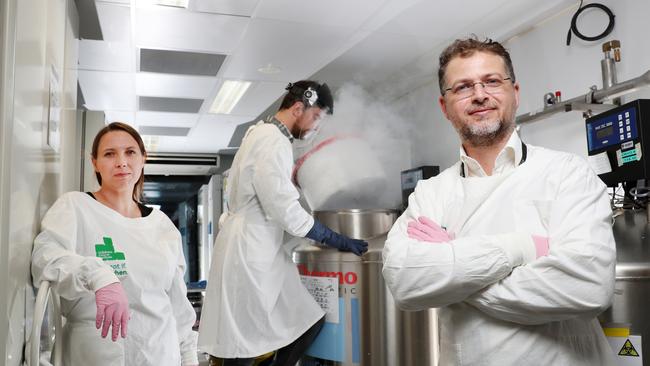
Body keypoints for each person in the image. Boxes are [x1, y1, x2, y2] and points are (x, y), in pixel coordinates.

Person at [382, 36, 617, 365]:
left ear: (515, 93)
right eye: (463, 87)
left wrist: (454, 275)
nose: (479, 95)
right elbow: (404, 280)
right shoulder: (430, 193)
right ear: (445, 106)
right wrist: (522, 248)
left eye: (492, 81)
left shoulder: (567, 173)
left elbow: (588, 286)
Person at [199, 80, 368, 366]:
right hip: (252, 254)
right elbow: (284, 209)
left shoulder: (261, 133)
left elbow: (271, 196)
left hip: (259, 250)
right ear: (298, 107)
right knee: (244, 341)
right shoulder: (272, 140)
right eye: (315, 117)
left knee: (304, 320)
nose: (315, 127)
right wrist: (334, 238)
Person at [31, 122, 198, 366]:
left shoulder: (162, 226)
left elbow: (177, 305)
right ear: (95, 162)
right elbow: (45, 257)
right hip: (95, 355)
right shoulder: (75, 207)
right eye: (110, 154)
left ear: (143, 159)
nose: (121, 162)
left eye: (130, 152)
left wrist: (189, 357)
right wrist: (97, 274)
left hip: (160, 355)